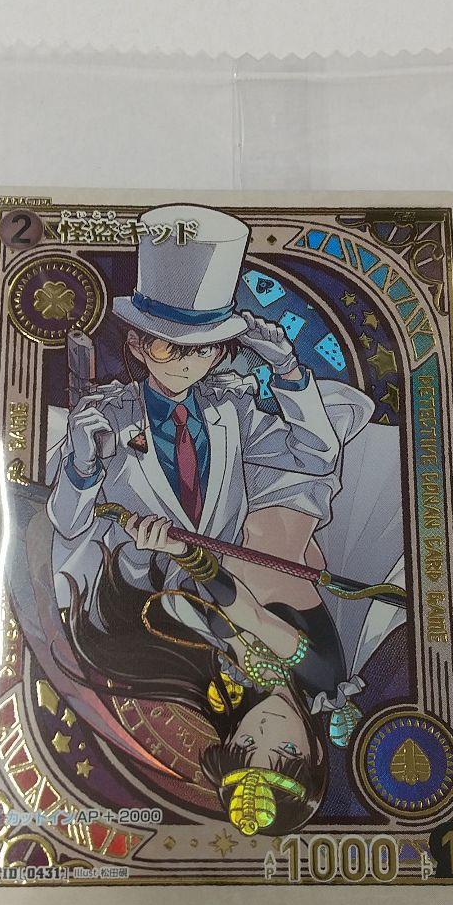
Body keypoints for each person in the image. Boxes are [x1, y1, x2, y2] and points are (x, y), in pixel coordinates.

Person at [46, 204, 374, 646]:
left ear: (219, 353)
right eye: (169, 349)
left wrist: (289, 372)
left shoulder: (230, 411)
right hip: (134, 610)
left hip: (228, 607)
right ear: (138, 346)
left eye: (203, 350)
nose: (186, 364)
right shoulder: (109, 419)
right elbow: (68, 524)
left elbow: (316, 454)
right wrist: (82, 467)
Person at [61, 512, 362, 836]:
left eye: (248, 741)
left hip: (232, 518)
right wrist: (186, 553)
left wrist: (169, 551)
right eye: (286, 748)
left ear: (230, 739)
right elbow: (251, 615)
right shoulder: (323, 677)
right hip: (287, 492)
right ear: (316, 749)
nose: (265, 728)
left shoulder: (240, 679)